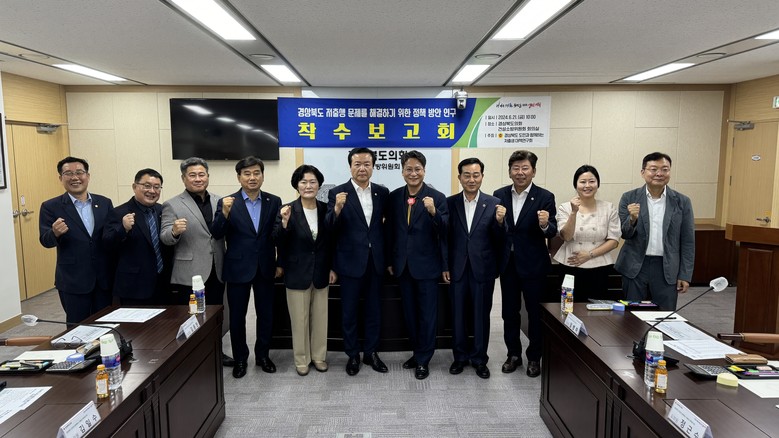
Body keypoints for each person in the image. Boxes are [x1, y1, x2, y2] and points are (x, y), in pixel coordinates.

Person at [211, 156, 282, 379]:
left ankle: (263, 356)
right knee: (237, 317)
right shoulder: (227, 202)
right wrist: (224, 213)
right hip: (237, 268)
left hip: (265, 266)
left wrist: (280, 262)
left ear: (262, 176)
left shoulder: (274, 201)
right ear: (239, 177)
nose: (252, 177)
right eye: (247, 173)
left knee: (266, 314)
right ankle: (240, 358)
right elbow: (216, 233)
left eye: (256, 173)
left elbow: (276, 236)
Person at [160, 157, 233, 367]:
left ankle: (216, 351)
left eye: (202, 174)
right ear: (184, 178)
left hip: (217, 269)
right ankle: (192, 356)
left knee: (216, 313)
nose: (198, 179)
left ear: (208, 176)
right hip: (190, 271)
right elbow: (165, 236)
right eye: (192, 175)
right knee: (191, 316)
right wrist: (174, 231)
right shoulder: (172, 204)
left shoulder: (220, 201)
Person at [493, 150, 557, 378]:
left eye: (525, 168)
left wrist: (544, 224)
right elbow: (496, 232)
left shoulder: (545, 196)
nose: (520, 172)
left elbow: (552, 231)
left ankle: (534, 357)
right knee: (509, 312)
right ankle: (513, 354)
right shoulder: (499, 195)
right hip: (508, 264)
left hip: (534, 265)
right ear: (510, 171)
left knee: (534, 313)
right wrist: (498, 222)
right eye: (516, 168)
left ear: (533, 171)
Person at [326, 147, 390, 376]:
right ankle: (352, 354)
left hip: (375, 262)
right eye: (357, 164)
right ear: (350, 166)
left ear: (373, 166)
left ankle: (371, 352)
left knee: (374, 310)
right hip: (349, 262)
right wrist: (337, 209)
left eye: (367, 164)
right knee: (349, 312)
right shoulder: (337, 193)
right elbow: (329, 230)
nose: (362, 168)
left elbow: (387, 229)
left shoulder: (382, 192)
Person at [387, 150, 448, 380]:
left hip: (427, 267)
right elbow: (390, 231)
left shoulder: (437, 197)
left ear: (424, 170)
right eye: (409, 169)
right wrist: (391, 261)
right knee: (410, 314)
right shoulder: (394, 197)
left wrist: (433, 212)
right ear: (402, 171)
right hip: (403, 267)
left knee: (427, 315)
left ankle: (424, 359)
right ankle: (417, 352)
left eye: (417, 169)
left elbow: (446, 230)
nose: (413, 173)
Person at [445, 157, 505, 379]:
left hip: (483, 269)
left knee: (481, 316)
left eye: (476, 175)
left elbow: (500, 239)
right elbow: (445, 238)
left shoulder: (494, 203)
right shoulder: (450, 203)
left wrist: (500, 222)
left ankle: (480, 359)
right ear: (459, 177)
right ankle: (460, 357)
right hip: (457, 268)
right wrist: (445, 265)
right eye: (467, 175)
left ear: (482, 176)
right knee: (458, 315)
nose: (471, 179)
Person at [615, 152, 695, 310]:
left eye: (665, 169)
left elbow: (688, 241)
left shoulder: (682, 202)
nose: (659, 173)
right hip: (635, 266)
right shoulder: (629, 197)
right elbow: (624, 234)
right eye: (653, 169)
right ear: (643, 172)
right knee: (632, 315)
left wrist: (685, 274)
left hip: (667, 267)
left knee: (664, 314)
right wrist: (632, 219)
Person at [39, 156, 114, 324]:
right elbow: (45, 240)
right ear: (61, 178)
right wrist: (54, 233)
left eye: (79, 172)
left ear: (88, 176)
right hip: (73, 280)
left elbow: (110, 236)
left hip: (103, 278)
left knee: (106, 325)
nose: (75, 177)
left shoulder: (104, 203)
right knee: (77, 327)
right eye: (68, 173)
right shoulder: (50, 206)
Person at [273, 165, 332, 376]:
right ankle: (301, 359)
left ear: (319, 185)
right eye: (304, 182)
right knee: (299, 320)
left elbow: (333, 241)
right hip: (297, 272)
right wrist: (285, 222)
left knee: (320, 318)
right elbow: (277, 240)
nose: (308, 186)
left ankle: (319, 356)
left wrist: (332, 267)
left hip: (321, 271)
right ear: (296, 185)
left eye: (312, 182)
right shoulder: (287, 209)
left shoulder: (325, 209)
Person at [103, 168, 171, 305]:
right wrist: (123, 229)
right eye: (147, 186)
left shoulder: (163, 210)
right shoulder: (119, 212)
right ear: (134, 187)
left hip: (162, 284)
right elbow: (107, 244)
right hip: (134, 286)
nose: (152, 191)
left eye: (157, 187)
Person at [554, 165, 620, 301]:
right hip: (570, 264)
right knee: (568, 305)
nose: (587, 185)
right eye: (583, 182)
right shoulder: (565, 207)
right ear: (576, 185)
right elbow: (566, 236)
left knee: (597, 307)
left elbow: (614, 241)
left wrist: (589, 255)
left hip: (599, 265)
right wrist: (573, 212)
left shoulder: (609, 208)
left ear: (598, 184)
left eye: (592, 181)